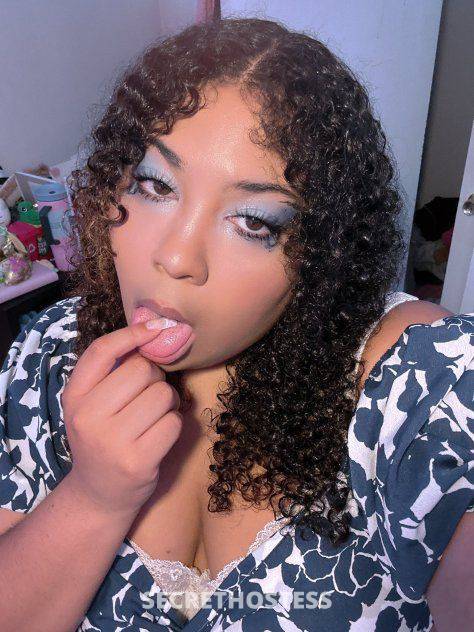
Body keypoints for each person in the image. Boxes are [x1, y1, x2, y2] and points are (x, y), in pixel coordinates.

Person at [0, 17, 472, 632]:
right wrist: (93, 497)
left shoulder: (427, 392)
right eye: (154, 185)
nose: (176, 257)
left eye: (253, 222)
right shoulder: (49, 354)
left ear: (322, 253)